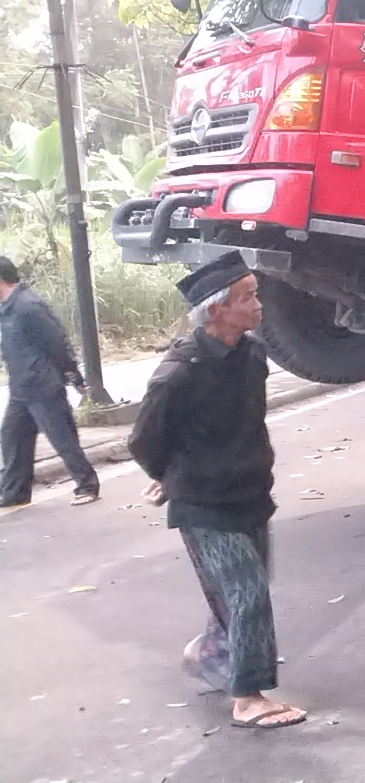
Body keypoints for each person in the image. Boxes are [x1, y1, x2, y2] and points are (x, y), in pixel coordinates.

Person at [128, 253, 307, 730]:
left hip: (250, 492)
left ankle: (210, 650)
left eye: (254, 292)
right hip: (203, 504)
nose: (258, 304)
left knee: (241, 590)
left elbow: (249, 423)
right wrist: (170, 475)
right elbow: (144, 439)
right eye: (246, 297)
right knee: (247, 594)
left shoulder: (252, 354)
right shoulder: (177, 374)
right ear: (216, 311)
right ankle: (248, 697)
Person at [0, 256, 100, 508]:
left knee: (62, 438)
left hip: (43, 386)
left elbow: (56, 341)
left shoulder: (28, 306)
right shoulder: (6, 308)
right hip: (21, 388)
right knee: (13, 438)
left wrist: (73, 374)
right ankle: (15, 492)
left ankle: (87, 485)